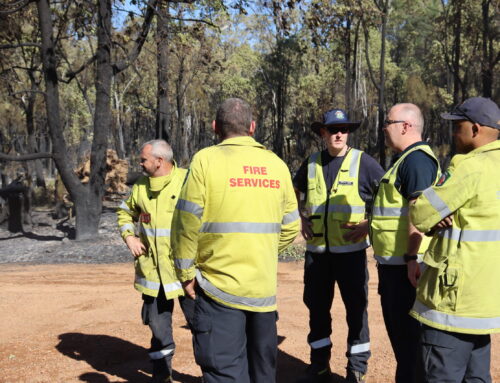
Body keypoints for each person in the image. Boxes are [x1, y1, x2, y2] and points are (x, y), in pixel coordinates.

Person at [171, 98, 300, 383]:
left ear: (215, 127)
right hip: (263, 292)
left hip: (218, 288)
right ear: (252, 127)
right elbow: (292, 226)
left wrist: (185, 273)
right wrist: (262, 250)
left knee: (224, 372)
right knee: (263, 373)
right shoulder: (276, 165)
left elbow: (185, 223)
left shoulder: (205, 160)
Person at [409, 97, 500, 383]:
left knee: (442, 376)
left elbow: (422, 212)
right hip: (485, 303)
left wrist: (436, 215)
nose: (453, 133)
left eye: (457, 126)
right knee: (478, 378)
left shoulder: (468, 167)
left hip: (452, 304)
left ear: (474, 129)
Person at [293, 109, 384, 383]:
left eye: (343, 129)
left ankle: (356, 368)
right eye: (333, 130)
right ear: (323, 133)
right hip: (318, 255)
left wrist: (369, 224)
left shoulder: (363, 163)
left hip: (351, 256)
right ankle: (319, 366)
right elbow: (294, 191)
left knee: (356, 311)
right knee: (317, 310)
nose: (339, 134)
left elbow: (387, 197)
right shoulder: (310, 164)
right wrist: (301, 216)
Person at [369, 103, 439, 383]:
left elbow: (418, 212)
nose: (384, 128)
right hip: (397, 266)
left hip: (408, 269)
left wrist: (412, 258)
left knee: (411, 345)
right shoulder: (405, 160)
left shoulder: (417, 160)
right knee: (404, 344)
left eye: (388, 122)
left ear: (406, 126)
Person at [117, 139, 192, 383]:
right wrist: (129, 237)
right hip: (153, 275)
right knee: (159, 330)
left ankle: (212, 375)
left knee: (203, 327)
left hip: (186, 273)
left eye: (143, 160)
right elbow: (125, 213)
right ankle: (162, 376)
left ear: (159, 161)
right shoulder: (140, 186)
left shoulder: (188, 181)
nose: (139, 164)